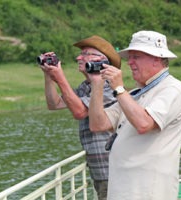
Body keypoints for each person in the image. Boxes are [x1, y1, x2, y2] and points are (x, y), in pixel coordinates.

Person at [88, 30, 181, 200]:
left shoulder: (173, 90)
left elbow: (144, 124)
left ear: (156, 59)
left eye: (136, 56)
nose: (129, 62)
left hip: (148, 192)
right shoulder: (136, 94)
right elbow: (97, 124)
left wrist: (119, 89)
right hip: (123, 190)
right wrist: (97, 84)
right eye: (130, 57)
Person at [39, 35, 121, 200]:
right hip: (100, 169)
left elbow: (80, 112)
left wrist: (60, 77)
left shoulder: (107, 86)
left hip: (111, 170)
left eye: (86, 54)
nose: (79, 57)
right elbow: (54, 104)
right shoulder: (86, 87)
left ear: (102, 60)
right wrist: (49, 76)